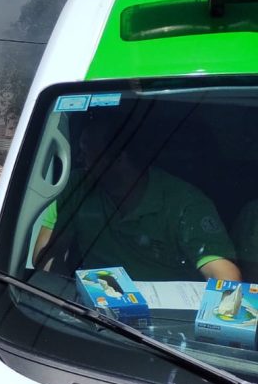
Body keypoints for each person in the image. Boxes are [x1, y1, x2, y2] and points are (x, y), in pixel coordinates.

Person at [35, 120, 241, 282]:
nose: (79, 159)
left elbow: (224, 275)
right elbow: (46, 256)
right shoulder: (76, 187)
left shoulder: (184, 203)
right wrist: (67, 301)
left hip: (164, 326)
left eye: (86, 150)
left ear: (118, 157)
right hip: (95, 316)